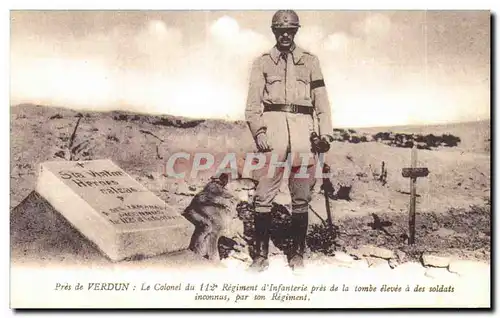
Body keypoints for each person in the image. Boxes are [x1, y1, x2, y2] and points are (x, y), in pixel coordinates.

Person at [245, 10, 333, 271]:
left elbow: (322, 104)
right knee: (263, 195)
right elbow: (252, 106)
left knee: (301, 197)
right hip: (272, 138)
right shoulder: (261, 63)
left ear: (296, 32)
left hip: (304, 138)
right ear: (273, 32)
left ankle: (297, 255)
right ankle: (260, 257)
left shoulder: (310, 62)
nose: (285, 35)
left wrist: (326, 134)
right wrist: (259, 132)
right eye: (280, 31)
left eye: (290, 31)